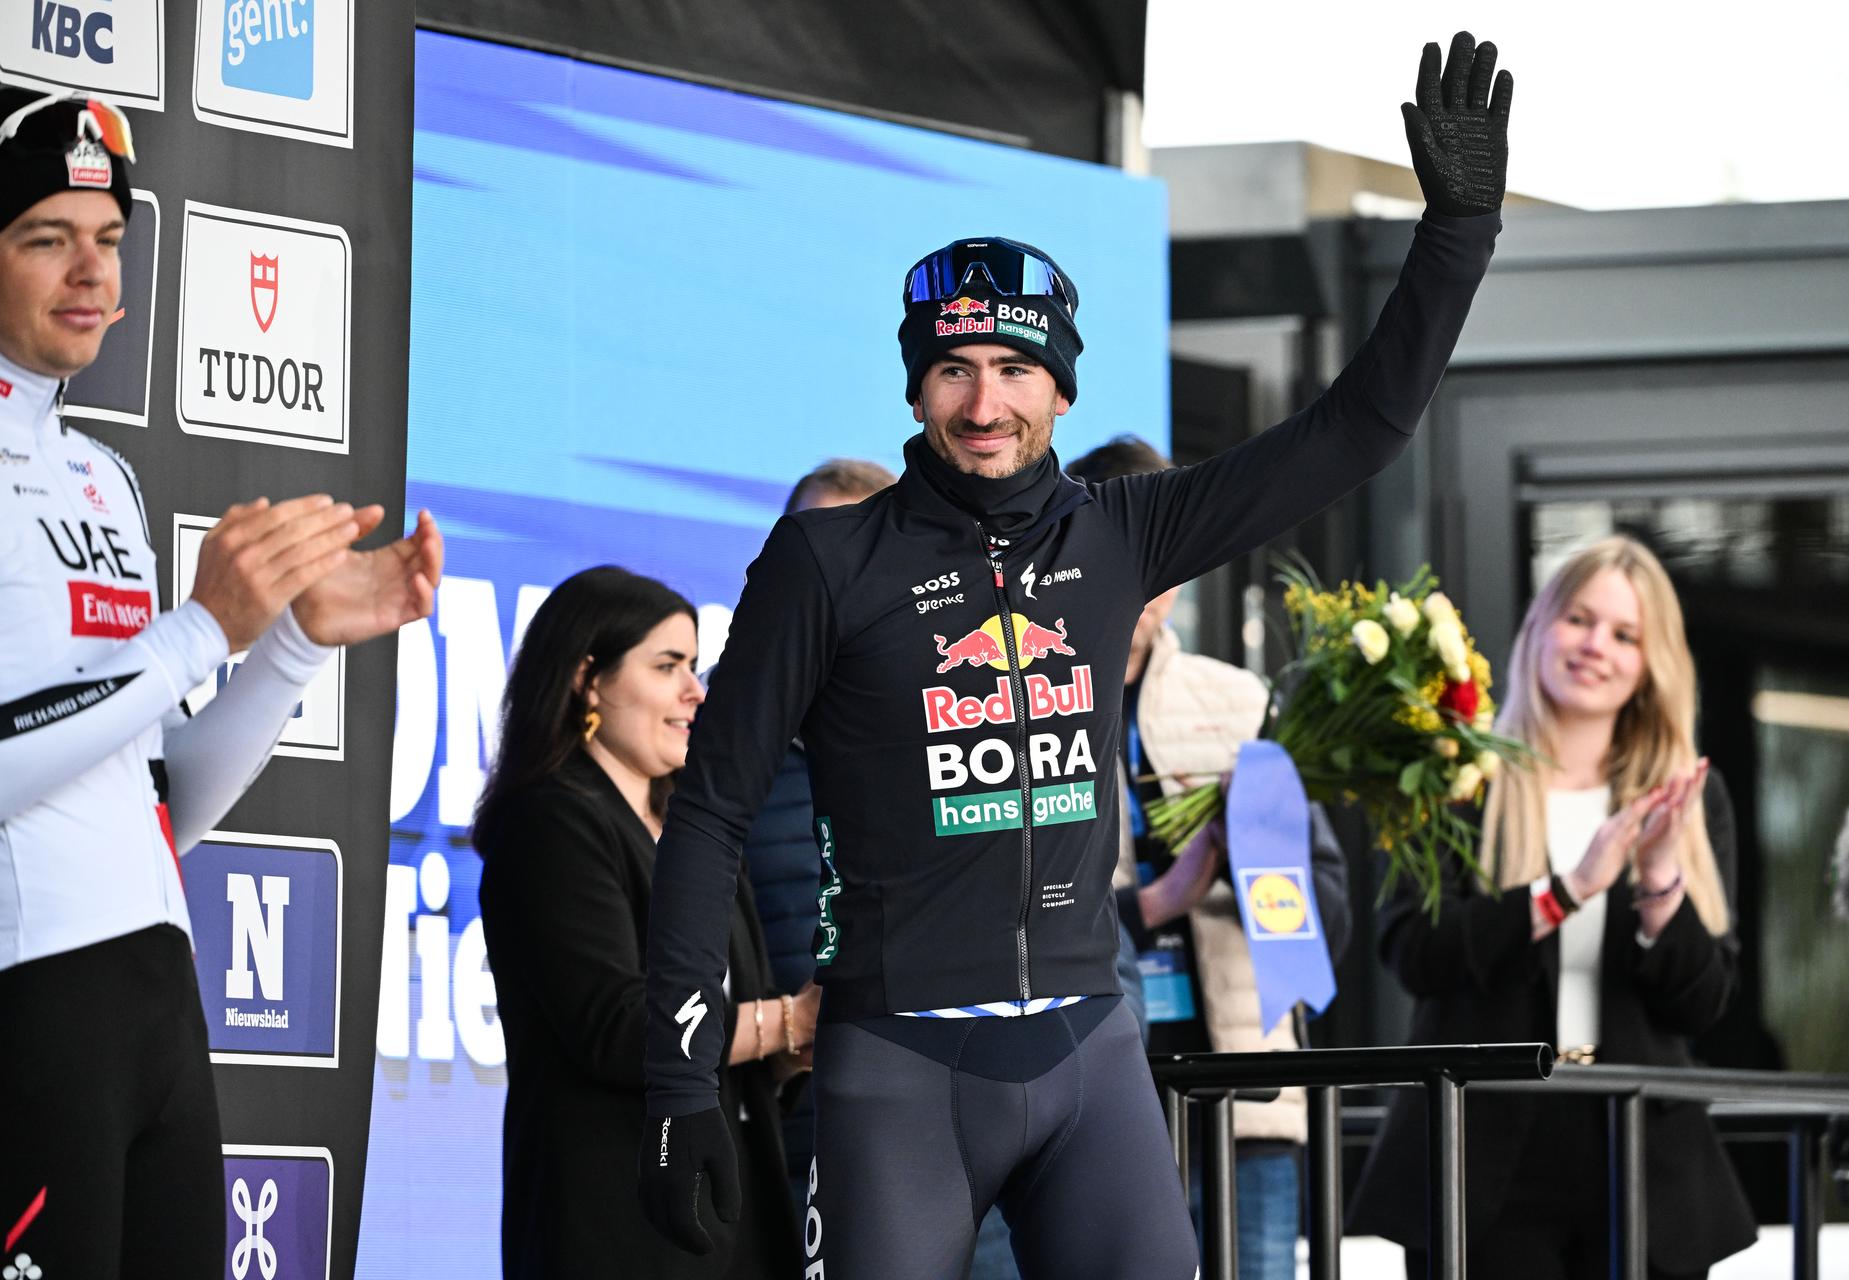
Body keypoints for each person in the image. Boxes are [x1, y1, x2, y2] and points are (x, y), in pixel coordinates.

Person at [641, 33, 1512, 1279]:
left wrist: (1456, 235)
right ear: (916, 386)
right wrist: (676, 1085)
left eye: (1012, 369)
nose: (982, 403)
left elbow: (1358, 428)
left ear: (1059, 389)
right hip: (900, 1062)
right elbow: (712, 805)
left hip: (1090, 1055)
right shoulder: (828, 562)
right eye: (952, 369)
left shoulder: (1121, 532)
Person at [0, 88, 443, 1275]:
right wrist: (199, 630)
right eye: (46, 237)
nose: (91, 271)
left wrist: (290, 642)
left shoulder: (107, 479)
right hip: (27, 1006)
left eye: (108, 239)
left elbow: (165, 806)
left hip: (158, 1002)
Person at [1346, 536, 1758, 1280]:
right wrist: (1566, 890)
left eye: (1625, 634)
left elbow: (1705, 1003)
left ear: (1649, 662)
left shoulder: (1688, 798)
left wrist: (1661, 878)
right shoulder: (1457, 774)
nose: (1596, 645)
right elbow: (1413, 950)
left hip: (1641, 1150)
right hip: (1483, 1153)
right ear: (1539, 626)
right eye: (1579, 619)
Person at [473, 567, 817, 1279]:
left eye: (693, 666)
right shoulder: (551, 823)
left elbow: (727, 1033)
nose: (696, 690)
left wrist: (795, 1053)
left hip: (734, 1223)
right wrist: (783, 1022)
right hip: (617, 1227)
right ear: (587, 680)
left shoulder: (698, 833)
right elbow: (620, 1031)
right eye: (668, 667)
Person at [1069, 435, 1353, 1280]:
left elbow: (1324, 908)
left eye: (1166, 548)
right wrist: (1156, 902)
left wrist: (1263, 867)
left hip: (1243, 1087)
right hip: (1095, 1088)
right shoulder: (1020, 698)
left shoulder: (1238, 701)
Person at [736, 457, 897, 1212]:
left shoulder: (967, 729)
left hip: (951, 1104)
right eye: (805, 545)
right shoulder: (718, 733)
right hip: (785, 1112)